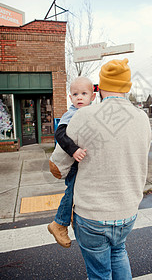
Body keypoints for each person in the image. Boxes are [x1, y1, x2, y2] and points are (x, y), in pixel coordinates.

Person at [49, 58, 152, 279]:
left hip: (92, 215)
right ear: (126, 87)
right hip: (127, 212)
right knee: (118, 253)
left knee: (99, 274)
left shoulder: (83, 116)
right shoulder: (142, 118)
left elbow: (57, 167)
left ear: (100, 88)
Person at [48, 76, 96, 248]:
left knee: (80, 194)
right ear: (70, 97)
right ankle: (59, 223)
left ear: (93, 96)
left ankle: (74, 219)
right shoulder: (71, 114)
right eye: (75, 94)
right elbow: (59, 134)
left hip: (87, 162)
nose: (79, 97)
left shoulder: (93, 112)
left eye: (84, 93)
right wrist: (73, 149)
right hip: (75, 164)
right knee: (72, 190)